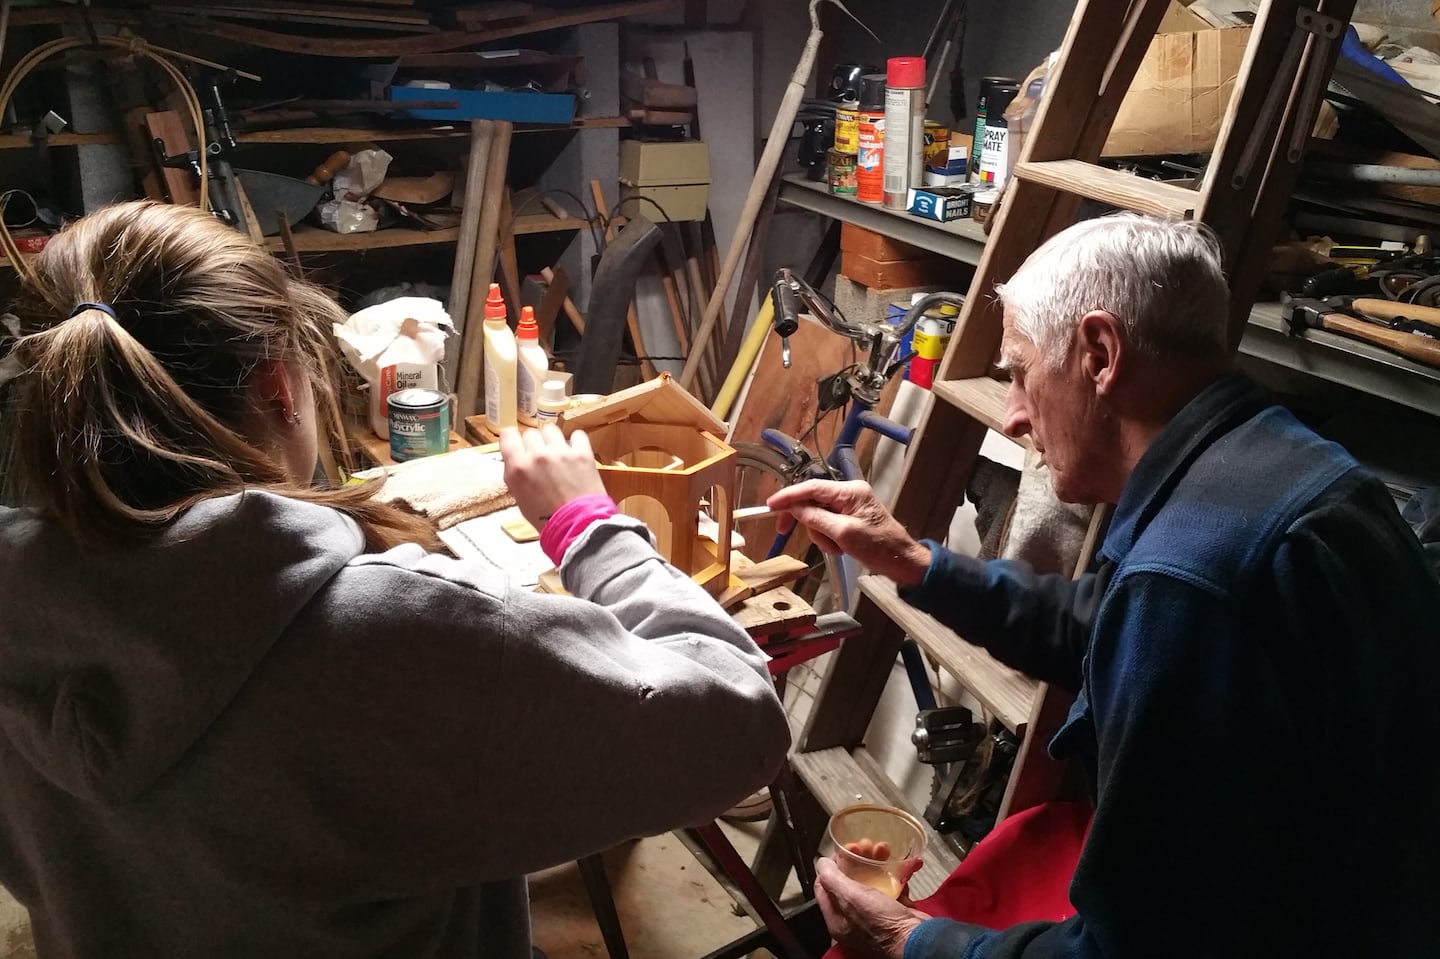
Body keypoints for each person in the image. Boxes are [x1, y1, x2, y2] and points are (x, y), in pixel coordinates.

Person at [0, 200, 790, 958]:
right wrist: (586, 521)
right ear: (280, 387)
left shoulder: (19, 611)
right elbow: (741, 724)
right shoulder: (381, 635)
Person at [770, 213, 1440, 959]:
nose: (1017, 414)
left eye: (1020, 371)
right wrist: (913, 561)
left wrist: (911, 942)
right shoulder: (1281, 460)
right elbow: (1103, 622)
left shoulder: (1189, 580)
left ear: (1099, 353)